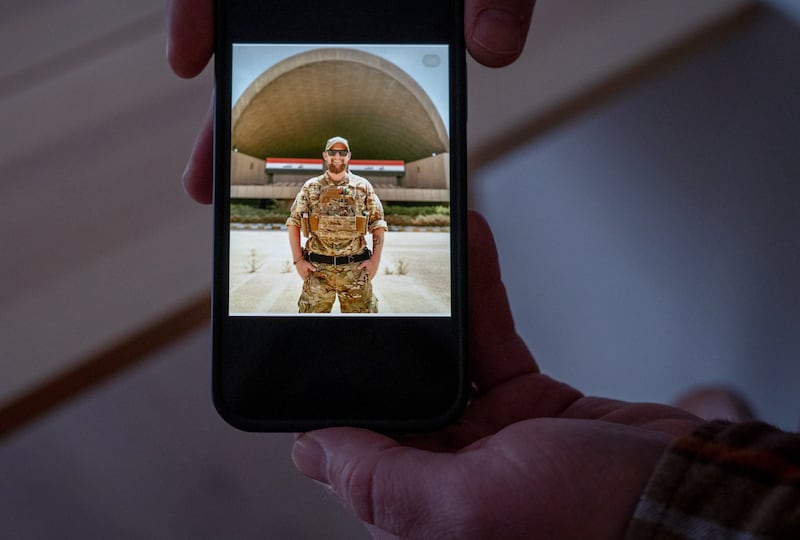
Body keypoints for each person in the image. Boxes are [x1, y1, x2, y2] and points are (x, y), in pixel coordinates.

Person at [165, 1, 800, 538]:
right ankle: (717, 443)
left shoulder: (361, 189)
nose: (332, 158)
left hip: (355, 280)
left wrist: (368, 270)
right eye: (327, 152)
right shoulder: (311, 191)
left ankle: (717, 445)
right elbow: (295, 226)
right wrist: (303, 263)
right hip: (313, 282)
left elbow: (381, 227)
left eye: (337, 150)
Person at [286, 136, 387, 313]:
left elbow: (377, 223)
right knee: (310, 332)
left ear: (349, 156)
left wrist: (375, 261)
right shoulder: (311, 187)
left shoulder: (363, 187)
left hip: (355, 271)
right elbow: (293, 222)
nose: (337, 156)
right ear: (325, 155)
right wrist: (298, 261)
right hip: (318, 272)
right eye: (333, 152)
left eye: (342, 152)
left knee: (362, 332)